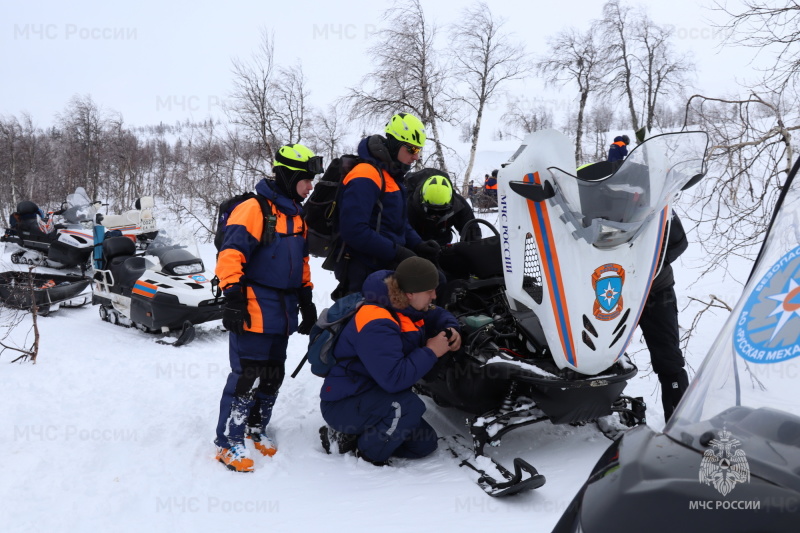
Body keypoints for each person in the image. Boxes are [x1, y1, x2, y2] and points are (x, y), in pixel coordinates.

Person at [213, 143, 322, 472]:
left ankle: (255, 427)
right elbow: (231, 254)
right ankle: (228, 441)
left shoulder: (296, 214)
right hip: (253, 305)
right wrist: (232, 296)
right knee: (247, 375)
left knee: (273, 373)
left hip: (285, 307)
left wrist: (306, 296)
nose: (310, 185)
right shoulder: (254, 209)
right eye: (306, 179)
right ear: (290, 177)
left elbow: (301, 260)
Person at [319, 257, 462, 465]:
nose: (434, 295)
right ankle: (367, 455)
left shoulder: (407, 306)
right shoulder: (375, 322)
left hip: (375, 394)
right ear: (410, 293)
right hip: (346, 402)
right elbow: (394, 379)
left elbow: (436, 313)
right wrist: (431, 351)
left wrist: (452, 328)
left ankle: (359, 435)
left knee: (425, 444)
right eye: (429, 291)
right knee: (408, 407)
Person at [332, 112, 441, 299]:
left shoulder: (391, 176)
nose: (416, 157)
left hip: (386, 266)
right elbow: (354, 230)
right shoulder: (365, 175)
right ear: (395, 144)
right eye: (412, 150)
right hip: (363, 271)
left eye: (419, 151)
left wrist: (419, 244)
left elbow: (399, 223)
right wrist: (397, 252)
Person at [639, 213, 690, 422]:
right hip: (606, 289)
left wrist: (653, 263)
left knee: (668, 359)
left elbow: (680, 242)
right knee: (599, 354)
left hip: (656, 289)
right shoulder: (583, 196)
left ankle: (680, 422)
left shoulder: (655, 198)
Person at [406, 168, 482, 246]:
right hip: (416, 246)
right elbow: (402, 234)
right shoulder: (409, 204)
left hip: (443, 245)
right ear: (421, 199)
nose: (435, 216)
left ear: (451, 202)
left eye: (442, 211)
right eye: (431, 211)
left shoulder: (459, 205)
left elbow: (472, 232)